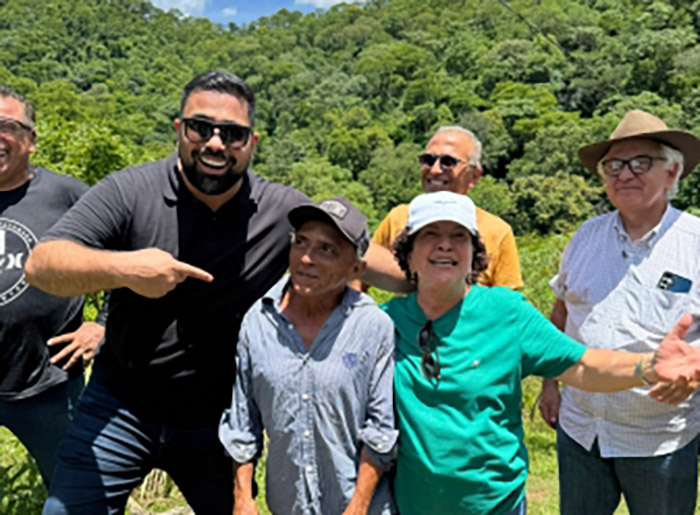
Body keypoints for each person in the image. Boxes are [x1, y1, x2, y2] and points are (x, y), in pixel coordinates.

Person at [25, 70, 404, 514]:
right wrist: (126, 269)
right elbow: (41, 264)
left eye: (232, 134)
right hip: (121, 404)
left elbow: (355, 254)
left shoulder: (279, 211)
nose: (215, 143)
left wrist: (441, 277)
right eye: (200, 128)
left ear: (253, 142)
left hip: (215, 420)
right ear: (179, 129)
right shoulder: (131, 191)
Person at [382, 191, 700, 515]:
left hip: (495, 506)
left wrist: (647, 366)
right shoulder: (384, 323)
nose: (445, 245)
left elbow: (582, 365)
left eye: (459, 236)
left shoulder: (506, 313)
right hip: (411, 506)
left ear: (474, 253)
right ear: (408, 254)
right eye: (430, 234)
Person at [538, 110, 700, 515]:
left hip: (659, 434)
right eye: (613, 165)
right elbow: (562, 311)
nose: (624, 174)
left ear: (672, 172)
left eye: (640, 162)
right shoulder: (586, 236)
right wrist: (549, 384)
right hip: (581, 428)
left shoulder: (695, 242)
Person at [219, 197, 397, 515]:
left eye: (327, 249)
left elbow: (380, 428)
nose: (306, 258)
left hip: (360, 505)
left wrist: (358, 506)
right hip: (289, 505)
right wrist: (242, 496)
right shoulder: (259, 321)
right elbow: (243, 420)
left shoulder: (372, 326)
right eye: (301, 242)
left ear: (356, 269)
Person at [0, 85, 104, 487]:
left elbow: (130, 257)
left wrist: (102, 325)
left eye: (7, 126)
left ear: (31, 139)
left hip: (49, 384)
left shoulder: (67, 195)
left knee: (73, 493)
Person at [372, 125, 522, 288]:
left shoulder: (498, 232)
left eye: (448, 162)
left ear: (474, 176)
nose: (435, 170)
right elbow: (360, 272)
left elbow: (507, 299)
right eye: (428, 160)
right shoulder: (398, 218)